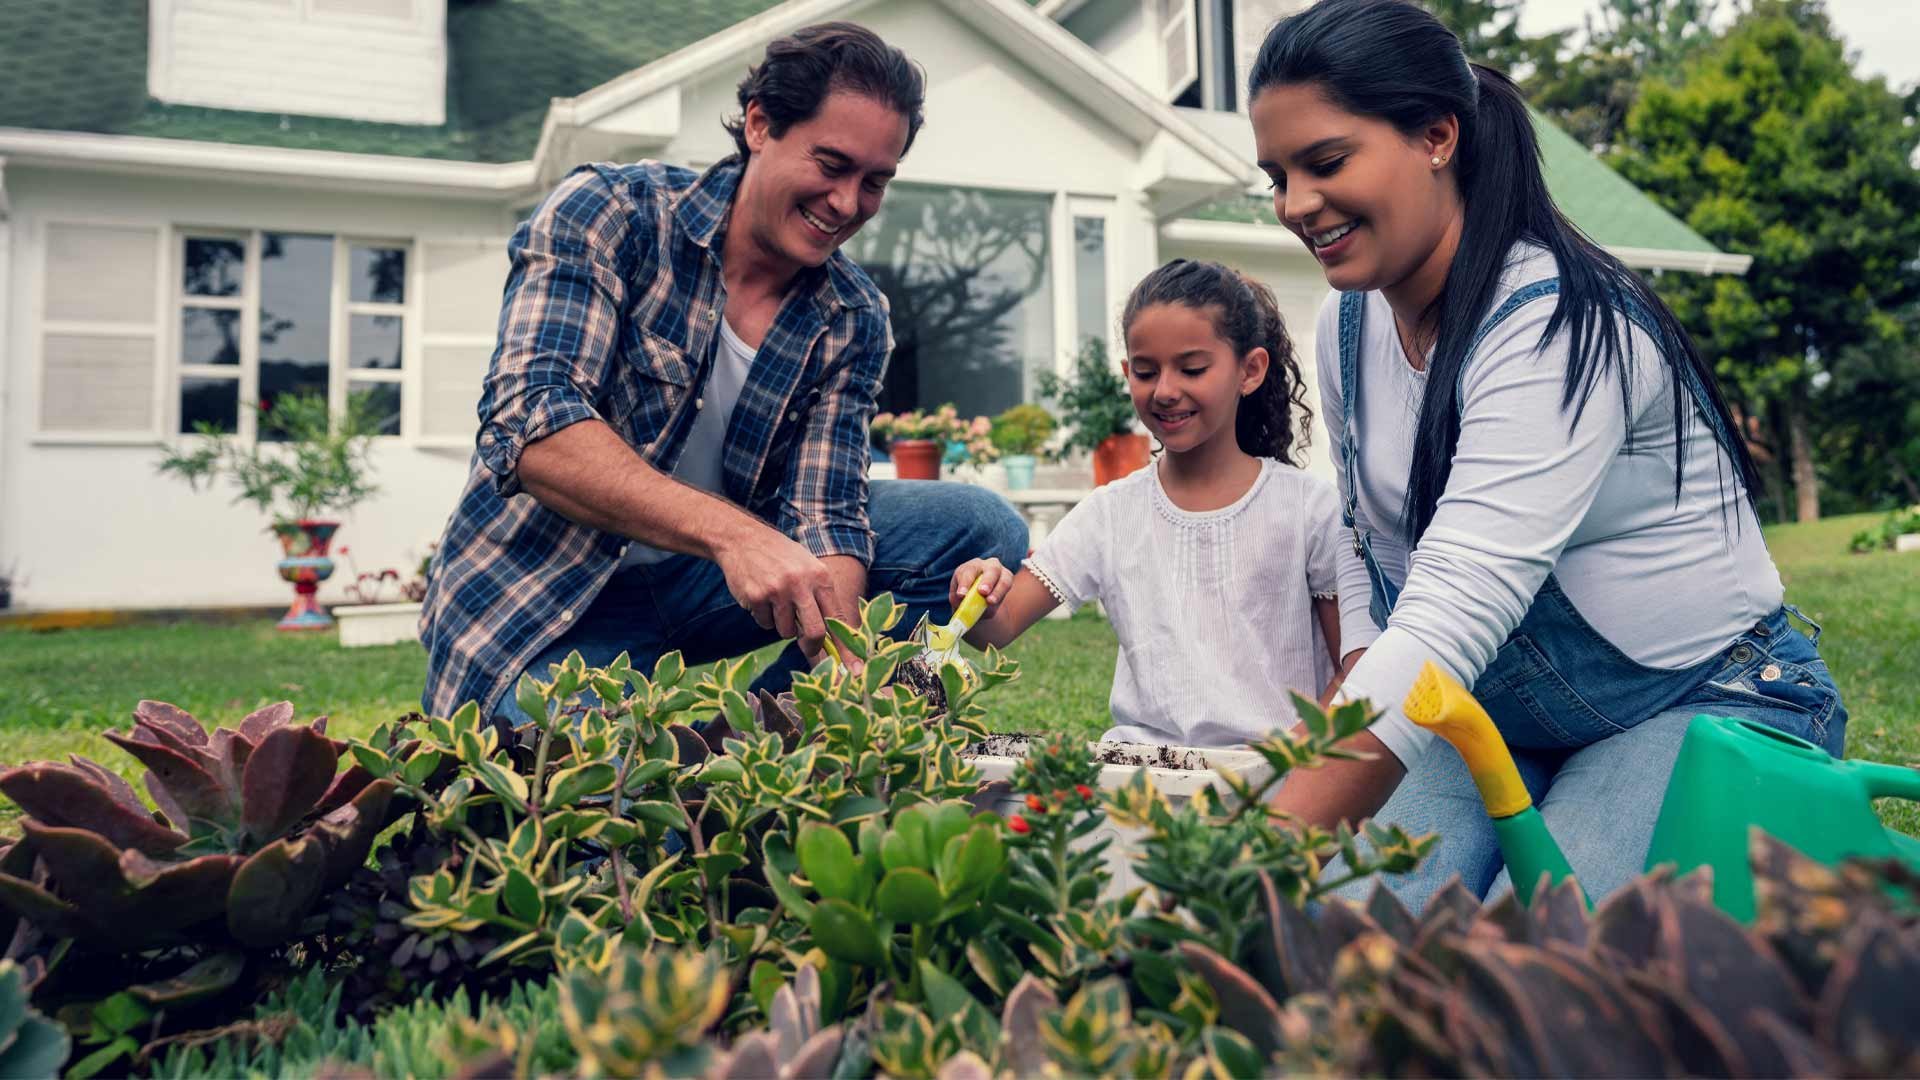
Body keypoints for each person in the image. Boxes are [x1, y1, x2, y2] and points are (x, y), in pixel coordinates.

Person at [1247, 0, 1847, 907]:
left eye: (1326, 163)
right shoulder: (1346, 325)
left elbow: (1453, 608)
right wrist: (1338, 765)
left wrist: (1244, 863)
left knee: (1527, 981)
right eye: (1277, 177)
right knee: (1347, 939)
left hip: (1703, 704)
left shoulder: (1555, 321)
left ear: (1437, 137)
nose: (1297, 204)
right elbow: (1373, 554)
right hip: (1489, 716)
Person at [419, 22, 1027, 724]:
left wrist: (844, 656)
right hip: (543, 599)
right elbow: (533, 428)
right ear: (760, 125)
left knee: (979, 524)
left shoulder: (852, 313)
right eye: (831, 164)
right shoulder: (613, 214)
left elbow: (825, 513)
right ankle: (669, 778)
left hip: (701, 586)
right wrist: (735, 536)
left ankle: (769, 734)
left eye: (874, 182)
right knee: (607, 817)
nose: (847, 203)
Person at [951, 259, 1352, 747]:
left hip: (1276, 783)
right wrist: (978, 593)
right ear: (1127, 373)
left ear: (1250, 370)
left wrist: (1293, 759)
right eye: (1145, 371)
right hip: (1142, 785)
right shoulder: (1111, 514)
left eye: (1192, 368)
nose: (1164, 390)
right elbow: (1000, 626)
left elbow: (1353, 670)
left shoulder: (1309, 509)